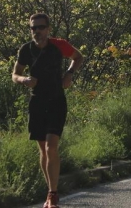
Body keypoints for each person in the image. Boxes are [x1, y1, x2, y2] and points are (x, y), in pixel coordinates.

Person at [12, 13, 84, 208]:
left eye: (40, 27)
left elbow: (78, 57)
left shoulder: (59, 45)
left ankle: (53, 195)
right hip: (37, 102)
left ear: (48, 29)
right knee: (43, 149)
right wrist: (24, 80)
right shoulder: (26, 50)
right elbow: (15, 74)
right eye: (33, 28)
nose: (37, 31)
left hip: (56, 101)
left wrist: (69, 74)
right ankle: (50, 190)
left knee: (51, 146)